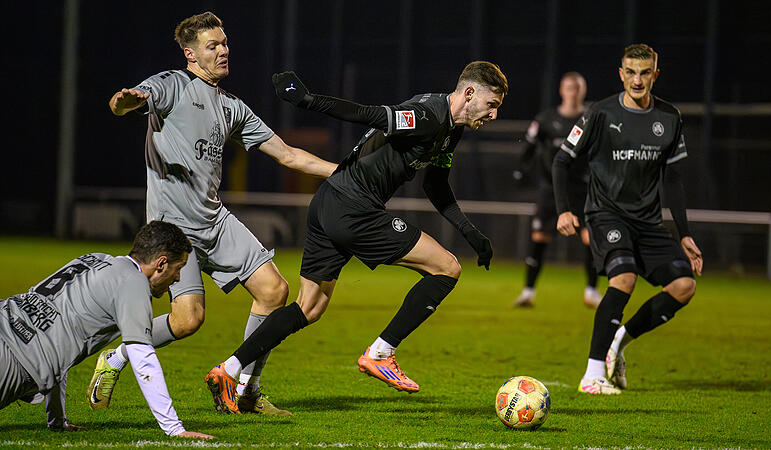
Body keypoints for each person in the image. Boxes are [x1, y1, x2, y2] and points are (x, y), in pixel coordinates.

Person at [199, 61, 507, 413]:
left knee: (309, 307)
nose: (493, 115)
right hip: (354, 207)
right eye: (491, 105)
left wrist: (469, 231)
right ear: (469, 93)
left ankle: (229, 369)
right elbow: (368, 114)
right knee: (446, 268)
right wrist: (307, 100)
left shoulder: (451, 131)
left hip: (328, 201)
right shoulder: (428, 116)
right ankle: (381, 352)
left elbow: (435, 185)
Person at [88, 11, 337, 416]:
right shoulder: (172, 85)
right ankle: (116, 357)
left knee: (274, 290)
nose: (223, 51)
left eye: (224, 43)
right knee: (188, 320)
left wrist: (343, 173)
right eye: (213, 46)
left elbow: (289, 155)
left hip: (214, 220)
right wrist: (124, 102)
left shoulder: (231, 106)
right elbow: (128, 102)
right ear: (191, 54)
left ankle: (246, 390)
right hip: (174, 229)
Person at [553, 44, 703, 394]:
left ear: (655, 75)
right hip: (605, 214)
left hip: (648, 223)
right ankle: (592, 375)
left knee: (684, 286)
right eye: (631, 72)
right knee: (624, 277)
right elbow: (562, 160)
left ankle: (619, 341)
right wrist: (564, 209)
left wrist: (684, 234)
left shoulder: (669, 117)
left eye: (645, 72)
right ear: (621, 74)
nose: (637, 80)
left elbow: (673, 180)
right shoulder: (600, 113)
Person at [0, 221, 213, 439]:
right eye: (178, 269)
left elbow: (56, 337)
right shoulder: (134, 283)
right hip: (14, 357)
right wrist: (175, 429)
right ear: (161, 264)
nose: (178, 278)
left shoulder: (94, 259)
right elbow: (143, 359)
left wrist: (57, 420)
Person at [511, 72, 601, 309]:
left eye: (577, 87)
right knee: (539, 237)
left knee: (591, 237)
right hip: (550, 188)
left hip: (581, 188)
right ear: (561, 90)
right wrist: (521, 171)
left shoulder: (590, 118)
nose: (573, 92)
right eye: (569, 87)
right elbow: (529, 148)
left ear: (583, 91)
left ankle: (591, 291)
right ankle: (528, 292)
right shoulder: (546, 119)